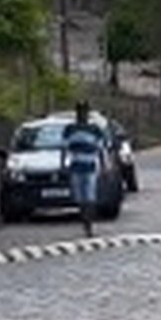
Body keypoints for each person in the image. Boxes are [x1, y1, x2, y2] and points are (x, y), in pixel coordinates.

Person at [61, 101, 104, 237]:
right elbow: (64, 148)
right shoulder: (70, 129)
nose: (82, 115)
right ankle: (85, 220)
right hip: (76, 166)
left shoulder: (95, 130)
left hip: (90, 166)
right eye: (80, 112)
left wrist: (103, 165)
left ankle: (88, 224)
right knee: (79, 198)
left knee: (90, 197)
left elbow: (101, 148)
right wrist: (63, 164)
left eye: (84, 112)